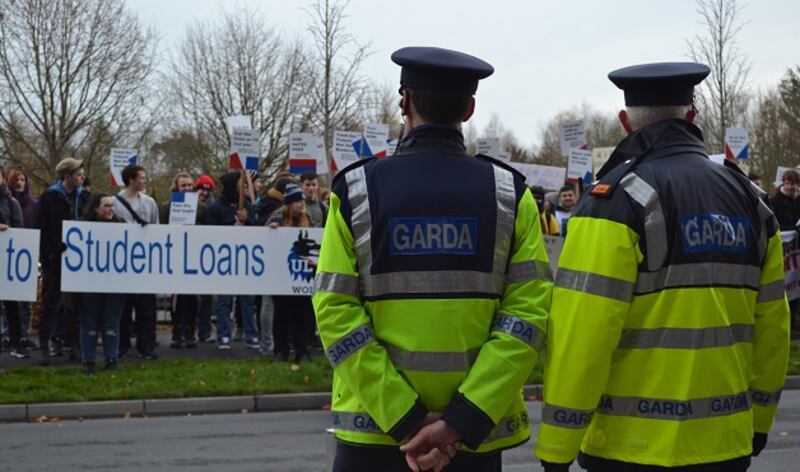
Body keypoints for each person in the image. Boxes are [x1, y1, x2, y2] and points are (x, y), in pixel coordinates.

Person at [535, 62, 790, 472]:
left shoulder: (612, 202)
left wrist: (556, 446)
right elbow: (774, 326)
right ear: (692, 116)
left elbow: (582, 333)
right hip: (726, 442)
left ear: (625, 122)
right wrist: (758, 422)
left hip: (629, 447)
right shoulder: (752, 202)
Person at [312, 46, 552, 472]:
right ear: (470, 108)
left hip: (375, 435)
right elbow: (528, 316)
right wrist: (458, 422)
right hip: (471, 443)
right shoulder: (511, 196)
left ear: (404, 102)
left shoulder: (355, 191)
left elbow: (334, 311)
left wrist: (406, 419)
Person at [34, 157, 89, 365]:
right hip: (54, 259)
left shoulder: (84, 198)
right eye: (78, 175)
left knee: (75, 305)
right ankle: (44, 346)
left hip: (78, 261)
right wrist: (49, 251)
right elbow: (39, 227)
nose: (82, 178)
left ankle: (74, 345)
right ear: (67, 176)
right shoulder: (49, 198)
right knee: (50, 303)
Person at [206, 171, 260, 350]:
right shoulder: (215, 208)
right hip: (224, 263)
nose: (245, 185)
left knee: (248, 300)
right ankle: (223, 335)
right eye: (241, 183)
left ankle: (250, 334)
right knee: (224, 301)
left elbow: (257, 229)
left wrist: (248, 220)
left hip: (245, 261)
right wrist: (232, 226)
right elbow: (209, 234)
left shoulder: (247, 206)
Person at [114, 164, 159, 360]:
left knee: (146, 309)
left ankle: (146, 346)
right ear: (131, 180)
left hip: (144, 263)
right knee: (123, 308)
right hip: (123, 264)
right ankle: (121, 345)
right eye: (141, 178)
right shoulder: (115, 203)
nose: (144, 181)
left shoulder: (149, 203)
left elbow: (156, 228)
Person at [78, 193, 126, 374]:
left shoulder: (123, 227)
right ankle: (88, 360)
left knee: (111, 323)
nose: (110, 210)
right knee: (89, 324)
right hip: (90, 284)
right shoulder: (83, 227)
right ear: (96, 208)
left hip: (115, 285)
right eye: (106, 206)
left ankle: (111, 359)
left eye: (112, 206)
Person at [159, 172, 207, 349]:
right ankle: (177, 331)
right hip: (176, 255)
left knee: (192, 297)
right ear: (176, 188)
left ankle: (190, 331)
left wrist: (193, 227)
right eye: (183, 185)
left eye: (189, 185)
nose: (187, 188)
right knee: (177, 297)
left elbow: (209, 229)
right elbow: (161, 229)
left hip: (194, 256)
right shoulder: (166, 207)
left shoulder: (201, 207)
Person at [267, 184, 314, 362]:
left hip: (300, 277)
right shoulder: (277, 217)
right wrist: (271, 231)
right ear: (289, 203)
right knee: (281, 315)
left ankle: (302, 352)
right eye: (297, 201)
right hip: (280, 277)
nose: (302, 204)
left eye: (302, 201)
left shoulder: (306, 218)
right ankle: (281, 351)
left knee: (301, 315)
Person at [6, 168, 38, 350]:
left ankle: (24, 333)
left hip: (27, 254)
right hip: (9, 254)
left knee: (25, 300)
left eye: (23, 180)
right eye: (16, 180)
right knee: (7, 301)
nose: (20, 183)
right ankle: (8, 334)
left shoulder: (34, 205)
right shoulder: (6, 203)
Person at [0, 165, 26, 359]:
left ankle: (16, 341)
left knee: (11, 304)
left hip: (6, 259)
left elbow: (19, 231)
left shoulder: (11, 203)